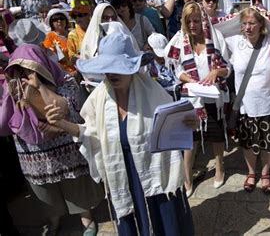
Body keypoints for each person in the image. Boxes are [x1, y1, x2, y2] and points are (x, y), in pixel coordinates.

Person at [42, 32, 195, 235]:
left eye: (118, 68)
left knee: (164, 224)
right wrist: (62, 123)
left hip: (156, 172)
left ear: (132, 68)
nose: (111, 74)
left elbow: (174, 127)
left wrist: (189, 123)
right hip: (124, 176)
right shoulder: (99, 98)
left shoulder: (153, 91)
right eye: (107, 68)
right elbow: (90, 133)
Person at [0, 44, 104, 235]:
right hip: (33, 152)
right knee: (44, 190)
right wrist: (13, 94)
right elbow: (5, 120)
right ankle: (53, 219)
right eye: (22, 68)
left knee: (76, 184)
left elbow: (66, 108)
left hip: (65, 146)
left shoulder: (64, 79)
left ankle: (85, 217)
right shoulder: (11, 84)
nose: (28, 72)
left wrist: (40, 86)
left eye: (33, 67)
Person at [166, 2, 230, 197]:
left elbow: (228, 68)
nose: (193, 25)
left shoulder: (216, 37)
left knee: (216, 135)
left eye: (196, 20)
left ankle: (219, 168)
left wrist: (216, 71)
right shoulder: (180, 41)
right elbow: (174, 68)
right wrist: (185, 77)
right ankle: (187, 177)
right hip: (191, 98)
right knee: (190, 139)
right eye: (189, 21)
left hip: (213, 97)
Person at [216, 7, 270, 194]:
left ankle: (266, 173)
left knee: (268, 142)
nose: (247, 27)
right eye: (244, 24)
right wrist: (239, 15)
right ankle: (252, 172)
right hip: (244, 104)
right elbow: (217, 29)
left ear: (261, 24)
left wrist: (264, 15)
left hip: (268, 103)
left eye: (252, 23)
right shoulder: (236, 41)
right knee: (247, 142)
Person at [42, 9, 76, 74]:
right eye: (55, 20)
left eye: (62, 18)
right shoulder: (50, 36)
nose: (59, 21)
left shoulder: (73, 34)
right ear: (51, 23)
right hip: (63, 73)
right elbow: (50, 58)